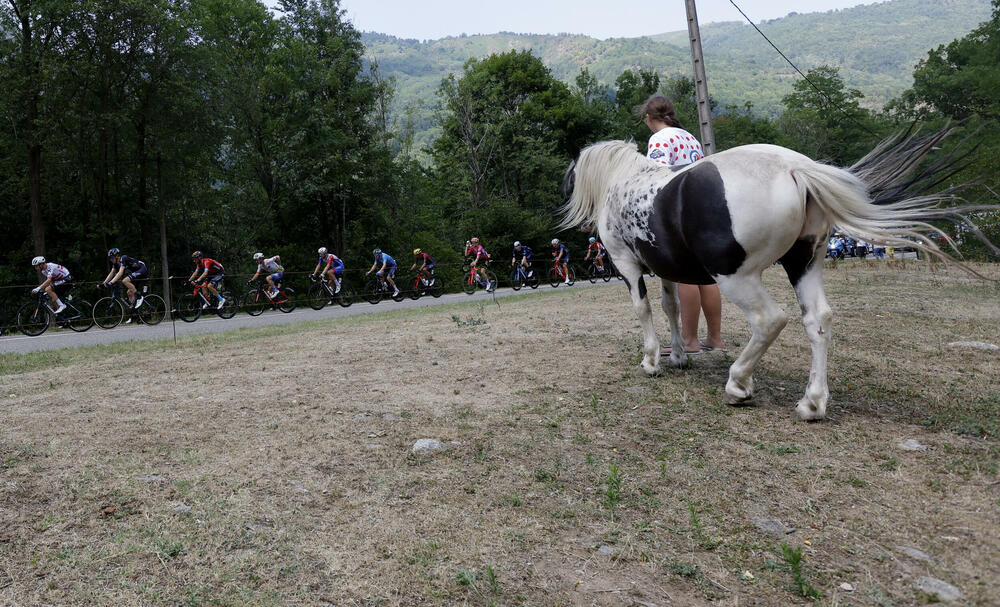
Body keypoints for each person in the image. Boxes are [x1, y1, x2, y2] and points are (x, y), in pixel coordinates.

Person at [642, 93, 724, 354]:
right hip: (702, 208)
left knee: (684, 276)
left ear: (648, 118)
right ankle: (715, 338)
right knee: (706, 276)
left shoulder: (659, 139)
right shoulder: (689, 136)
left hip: (678, 212)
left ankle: (689, 341)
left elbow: (657, 175)